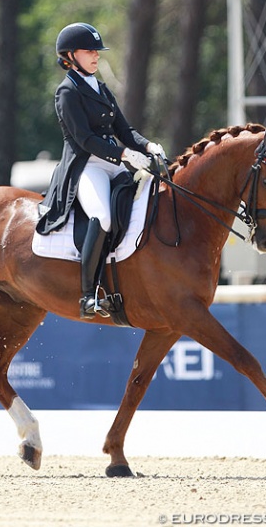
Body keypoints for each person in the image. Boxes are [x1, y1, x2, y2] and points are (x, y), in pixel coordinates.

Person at [36, 22, 165, 319]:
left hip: (113, 164)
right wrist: (124, 153)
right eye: (89, 51)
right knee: (103, 215)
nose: (96, 56)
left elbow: (124, 129)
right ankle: (88, 295)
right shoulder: (67, 92)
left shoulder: (101, 88)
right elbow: (85, 139)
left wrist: (148, 146)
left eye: (97, 51)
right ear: (70, 55)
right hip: (86, 166)